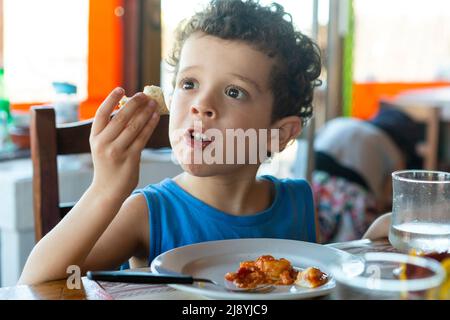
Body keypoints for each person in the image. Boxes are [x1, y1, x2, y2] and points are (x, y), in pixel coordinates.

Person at [19, 0, 323, 285]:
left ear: (278, 134)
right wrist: (106, 189)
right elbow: (35, 285)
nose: (201, 104)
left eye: (234, 92)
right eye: (189, 84)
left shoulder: (299, 204)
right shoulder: (148, 213)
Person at [312, 106, 422, 243]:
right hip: (352, 193)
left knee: (315, 236)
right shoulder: (393, 149)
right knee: (348, 247)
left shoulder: (341, 121)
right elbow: (390, 196)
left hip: (313, 181)